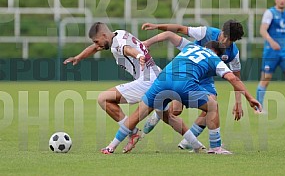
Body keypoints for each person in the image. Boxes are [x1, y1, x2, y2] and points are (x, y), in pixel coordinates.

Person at [101, 42, 262, 155]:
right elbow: (233, 78)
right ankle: (216, 148)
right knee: (212, 106)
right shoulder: (215, 59)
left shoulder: (191, 47)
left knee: (137, 115)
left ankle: (110, 147)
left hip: (162, 80)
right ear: (218, 54)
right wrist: (249, 97)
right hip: (184, 85)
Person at [63, 22, 202, 153]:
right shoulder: (119, 33)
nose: (96, 44)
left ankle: (132, 133)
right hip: (157, 75)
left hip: (146, 81)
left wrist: (139, 55)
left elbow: (127, 50)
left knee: (103, 99)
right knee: (168, 117)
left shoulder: (117, 44)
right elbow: (95, 48)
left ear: (104, 36)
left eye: (96, 41)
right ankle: (197, 145)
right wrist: (78, 57)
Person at [140, 20, 245, 149]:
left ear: (234, 40)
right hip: (188, 71)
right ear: (222, 31)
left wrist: (238, 102)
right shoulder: (206, 32)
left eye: (229, 40)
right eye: (224, 36)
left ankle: (188, 141)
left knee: (212, 106)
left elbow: (236, 79)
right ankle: (159, 113)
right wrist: (157, 26)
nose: (224, 41)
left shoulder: (234, 54)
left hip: (205, 78)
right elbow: (179, 29)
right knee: (176, 110)